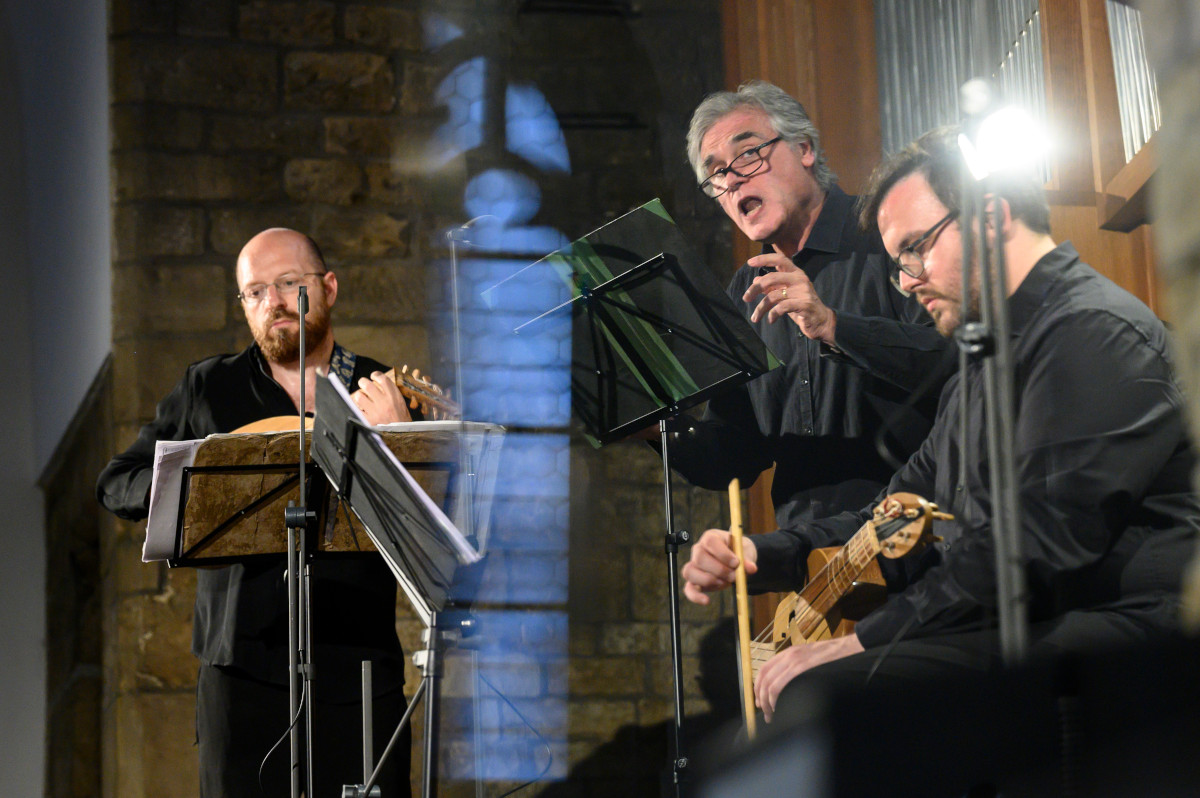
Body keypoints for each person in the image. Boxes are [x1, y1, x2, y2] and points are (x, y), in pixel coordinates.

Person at [681, 127, 1200, 727]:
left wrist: (861, 642)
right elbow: (894, 512)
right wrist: (759, 552)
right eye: (898, 259)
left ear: (990, 218)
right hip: (1038, 622)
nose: (905, 279)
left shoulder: (1089, 330)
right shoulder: (983, 366)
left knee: (824, 695)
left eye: (915, 248)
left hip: (1129, 629)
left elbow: (1033, 548)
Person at [97, 228, 414, 797]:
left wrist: (398, 439)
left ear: (329, 288)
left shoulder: (381, 390)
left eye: (290, 283)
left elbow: (426, 532)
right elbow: (117, 481)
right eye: (255, 291)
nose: (272, 301)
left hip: (358, 668)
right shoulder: (208, 387)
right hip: (241, 673)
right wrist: (193, 494)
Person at [666, 81, 954, 533]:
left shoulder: (887, 234)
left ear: (804, 149)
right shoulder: (745, 291)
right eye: (716, 173)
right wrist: (658, 430)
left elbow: (956, 361)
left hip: (922, 539)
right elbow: (732, 458)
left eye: (747, 154)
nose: (732, 178)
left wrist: (835, 326)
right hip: (810, 566)